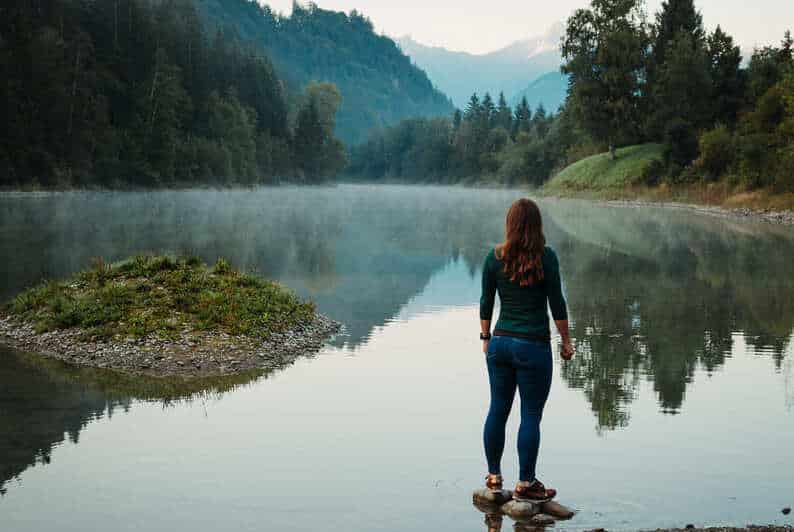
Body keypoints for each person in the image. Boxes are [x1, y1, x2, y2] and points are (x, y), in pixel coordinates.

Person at [479, 198, 574, 502]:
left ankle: (494, 478)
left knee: (498, 408)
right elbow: (556, 303)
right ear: (537, 225)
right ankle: (526, 482)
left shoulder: (494, 258)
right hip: (533, 346)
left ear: (510, 224)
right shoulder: (546, 258)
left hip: (500, 343)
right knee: (530, 414)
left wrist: (485, 337)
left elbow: (486, 301)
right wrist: (566, 341)